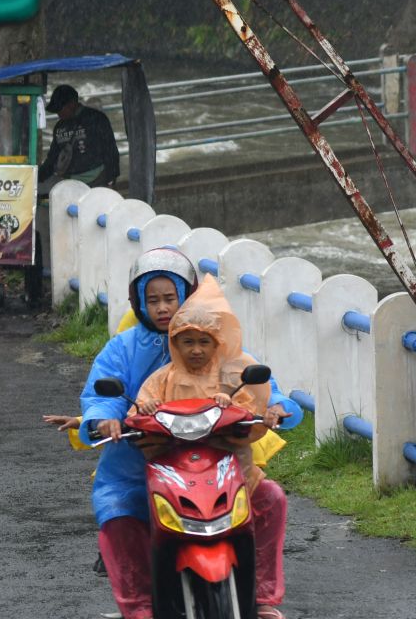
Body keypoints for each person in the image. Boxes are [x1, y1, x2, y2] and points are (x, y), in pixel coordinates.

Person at [43, 248, 299, 619]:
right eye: (153, 300)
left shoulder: (217, 338)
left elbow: (257, 380)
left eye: (170, 298)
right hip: (139, 459)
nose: (163, 308)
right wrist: (103, 421)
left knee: (270, 499)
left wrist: (276, 406)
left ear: (186, 295)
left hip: (218, 457)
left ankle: (262, 598)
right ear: (138, 302)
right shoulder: (123, 348)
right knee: (120, 517)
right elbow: (102, 396)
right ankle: (141, 607)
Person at [132, 275, 271, 497]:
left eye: (204, 342)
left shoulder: (230, 376)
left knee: (271, 496)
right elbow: (138, 410)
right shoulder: (163, 378)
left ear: (217, 343)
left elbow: (250, 412)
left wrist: (231, 405)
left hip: (226, 459)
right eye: (188, 342)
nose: (196, 350)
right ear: (175, 343)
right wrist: (148, 408)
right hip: (174, 460)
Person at [38, 84, 119, 189]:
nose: (58, 113)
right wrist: (38, 178)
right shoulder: (59, 127)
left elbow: (110, 150)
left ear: (72, 104)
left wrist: (112, 178)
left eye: (60, 108)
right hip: (70, 183)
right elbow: (53, 157)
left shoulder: (96, 119)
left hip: (98, 180)